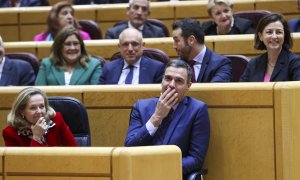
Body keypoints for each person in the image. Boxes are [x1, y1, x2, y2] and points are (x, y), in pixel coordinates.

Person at [124, 59, 210, 178]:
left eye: (179, 81)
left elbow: (196, 159)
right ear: (162, 80)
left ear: (188, 86)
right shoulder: (141, 106)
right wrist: (156, 117)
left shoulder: (197, 110)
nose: (171, 85)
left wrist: (160, 168)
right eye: (168, 78)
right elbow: (129, 147)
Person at [2, 87, 78, 146]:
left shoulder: (56, 119)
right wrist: (36, 137)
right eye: (33, 108)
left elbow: (75, 150)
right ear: (21, 111)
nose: (39, 111)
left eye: (42, 106)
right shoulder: (10, 133)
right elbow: (22, 164)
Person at [240, 13, 300, 82]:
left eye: (278, 32)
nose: (274, 36)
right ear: (261, 36)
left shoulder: (295, 62)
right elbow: (242, 90)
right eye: (269, 32)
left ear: (284, 35)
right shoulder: (254, 63)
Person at [35, 26, 101, 85]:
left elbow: (95, 95)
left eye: (76, 43)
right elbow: (39, 93)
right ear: (59, 47)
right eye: (68, 44)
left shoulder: (94, 65)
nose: (72, 48)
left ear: (81, 46)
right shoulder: (47, 64)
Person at [172, 18, 232, 82]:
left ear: (191, 40)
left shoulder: (220, 64)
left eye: (176, 41)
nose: (174, 46)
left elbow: (215, 91)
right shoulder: (174, 65)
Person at [99, 28, 165, 84]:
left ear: (142, 46)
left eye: (134, 44)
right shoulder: (108, 68)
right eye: (125, 44)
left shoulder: (157, 68)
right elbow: (98, 94)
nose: (130, 49)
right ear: (119, 47)